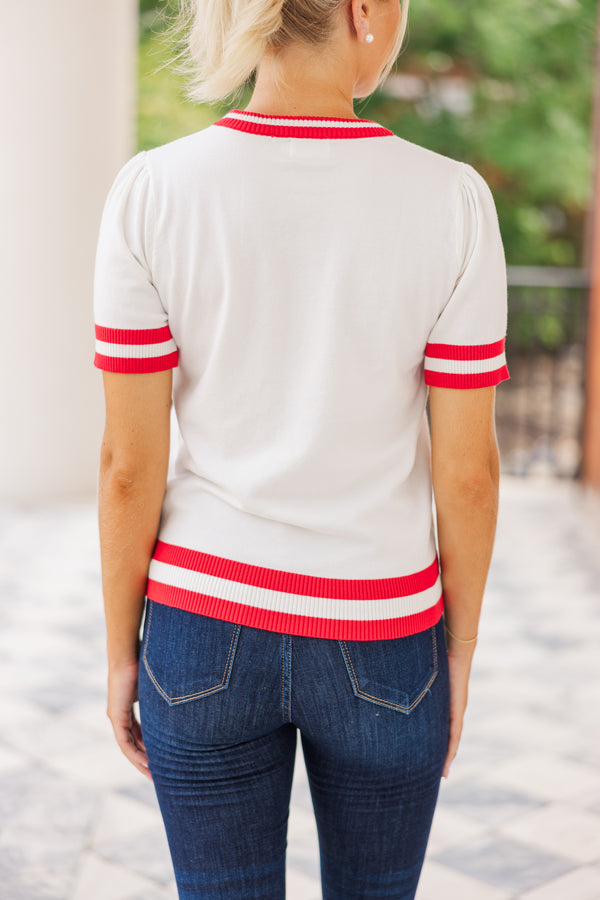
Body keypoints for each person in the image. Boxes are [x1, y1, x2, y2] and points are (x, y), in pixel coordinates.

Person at [93, 0, 509, 894]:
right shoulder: (452, 200)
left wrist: (125, 649)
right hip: (385, 636)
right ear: (365, 11)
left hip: (201, 628)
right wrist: (459, 654)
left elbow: (129, 467)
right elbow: (467, 475)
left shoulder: (152, 189)